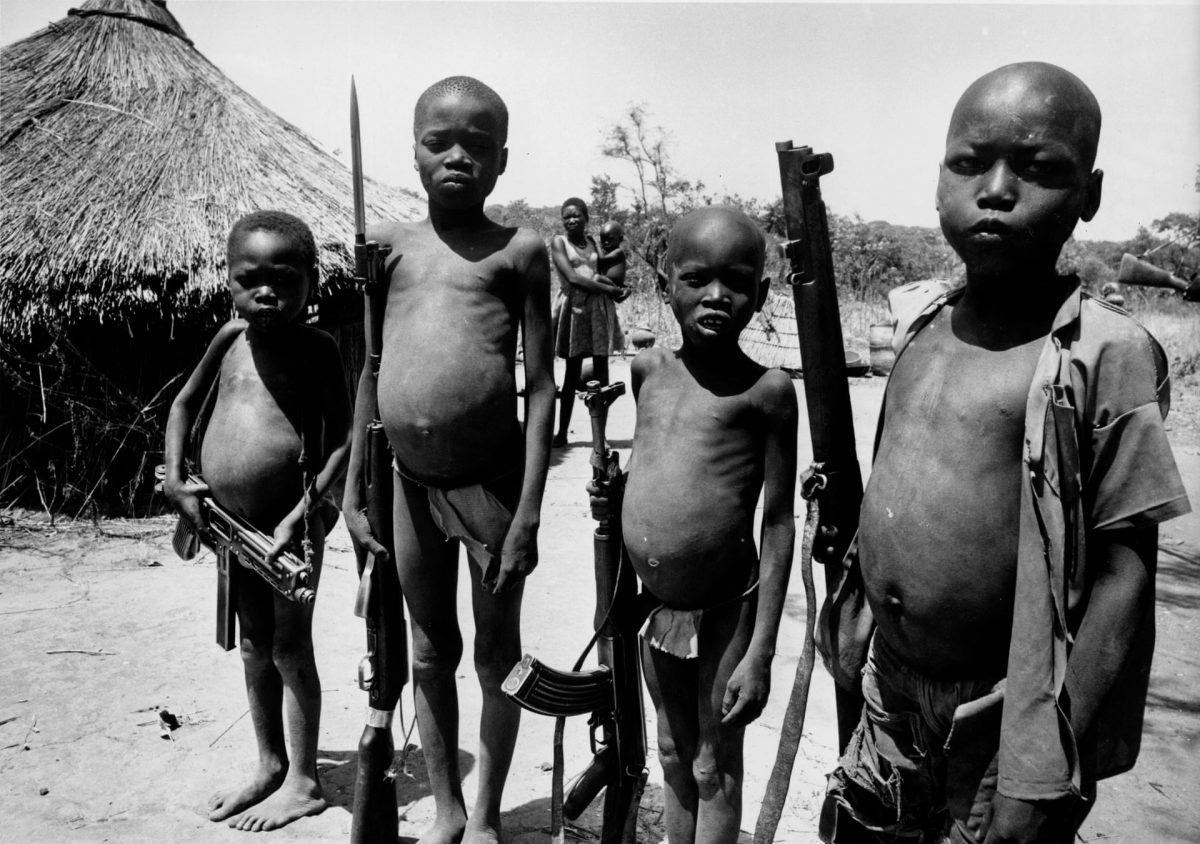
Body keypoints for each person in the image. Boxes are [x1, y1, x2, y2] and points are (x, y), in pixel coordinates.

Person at [819, 62, 1191, 844]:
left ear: (1087, 195)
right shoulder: (923, 325)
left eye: (1038, 169)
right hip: (891, 688)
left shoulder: (1104, 355)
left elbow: (1125, 580)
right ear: (939, 180)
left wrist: (1042, 769)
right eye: (969, 162)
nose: (996, 188)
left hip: (1003, 715)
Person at [342, 75, 554, 844]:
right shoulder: (389, 249)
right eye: (440, 143)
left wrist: (528, 512)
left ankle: (490, 815)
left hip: (492, 488)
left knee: (497, 651)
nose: (457, 157)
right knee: (429, 650)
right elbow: (370, 367)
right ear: (414, 153)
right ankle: (447, 810)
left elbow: (539, 388)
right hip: (405, 481)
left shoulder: (520, 252)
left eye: (477, 145)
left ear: (501, 162)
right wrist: (353, 495)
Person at [163, 210, 351, 832]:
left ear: (312, 282)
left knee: (291, 647)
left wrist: (307, 510)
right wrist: (175, 476)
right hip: (228, 525)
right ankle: (270, 763)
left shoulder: (318, 348)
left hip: (287, 530)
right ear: (229, 282)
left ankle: (304, 782)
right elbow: (184, 404)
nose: (267, 291)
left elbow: (345, 442)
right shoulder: (230, 337)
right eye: (250, 279)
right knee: (252, 644)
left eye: (285, 277)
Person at [615, 206, 798, 842]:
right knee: (671, 748)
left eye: (736, 281)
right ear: (666, 286)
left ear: (762, 295)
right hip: (656, 606)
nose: (716, 296)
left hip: (727, 609)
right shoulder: (648, 373)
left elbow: (778, 525)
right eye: (696, 278)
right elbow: (648, 480)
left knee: (714, 764)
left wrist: (763, 651)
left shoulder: (766, 392)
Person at [552, 198, 627, 447]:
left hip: (597, 309)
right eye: (567, 216)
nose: (571, 220)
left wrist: (617, 286)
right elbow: (572, 277)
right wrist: (609, 291)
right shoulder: (559, 243)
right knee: (572, 373)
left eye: (576, 216)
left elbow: (601, 269)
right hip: (574, 309)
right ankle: (562, 433)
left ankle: (599, 436)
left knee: (601, 372)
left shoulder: (593, 242)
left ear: (586, 218)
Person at [597, 220, 628, 288]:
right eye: (603, 239)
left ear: (620, 239)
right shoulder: (606, 251)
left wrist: (597, 246)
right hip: (609, 283)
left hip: (615, 284)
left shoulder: (618, 251)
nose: (606, 242)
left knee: (597, 278)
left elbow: (602, 259)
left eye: (610, 239)